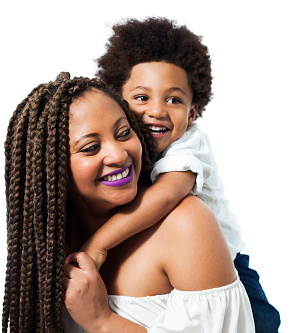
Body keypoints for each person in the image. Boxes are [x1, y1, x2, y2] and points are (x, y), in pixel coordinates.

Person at [2, 72, 254, 332]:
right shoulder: (46, 249)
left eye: (123, 133)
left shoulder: (185, 225)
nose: (118, 155)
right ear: (50, 170)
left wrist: (102, 322)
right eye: (90, 147)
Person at [80, 17, 280, 332]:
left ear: (192, 112)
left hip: (231, 265)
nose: (157, 110)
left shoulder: (189, 145)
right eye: (142, 97)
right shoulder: (125, 145)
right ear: (118, 100)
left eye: (173, 100)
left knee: (260, 323)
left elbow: (164, 196)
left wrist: (98, 243)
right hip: (182, 267)